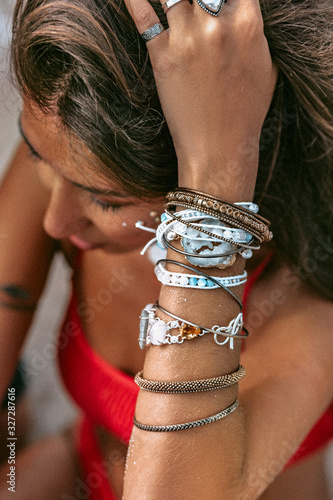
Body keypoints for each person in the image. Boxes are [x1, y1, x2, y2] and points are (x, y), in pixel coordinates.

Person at [0, 0, 332, 498]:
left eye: (106, 200)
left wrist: (215, 186)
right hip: (82, 460)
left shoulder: (304, 292)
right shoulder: (70, 147)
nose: (55, 220)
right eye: (34, 154)